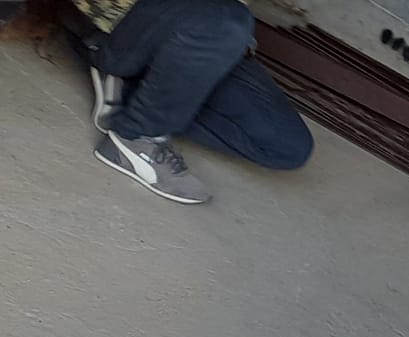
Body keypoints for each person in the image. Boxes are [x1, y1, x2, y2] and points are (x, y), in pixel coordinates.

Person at [65, 0, 313, 204]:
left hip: (203, 28)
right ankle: (138, 134)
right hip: (120, 22)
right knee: (224, 21)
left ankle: (131, 88)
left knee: (287, 146)